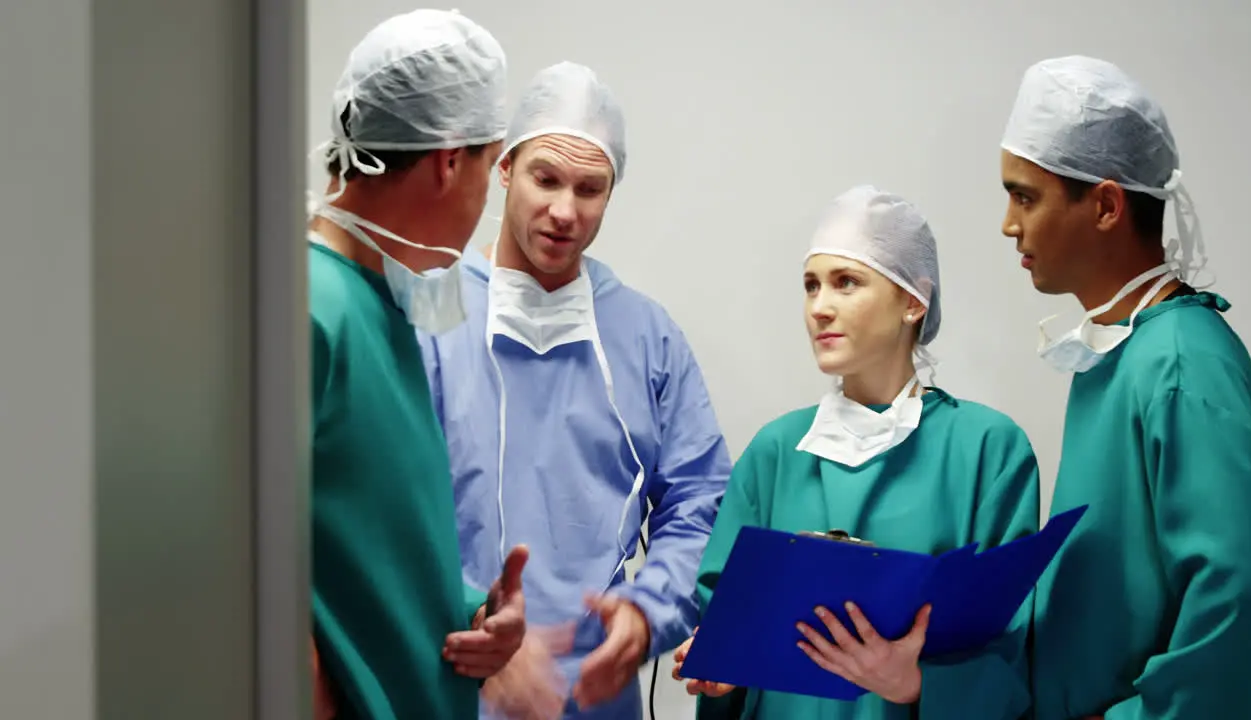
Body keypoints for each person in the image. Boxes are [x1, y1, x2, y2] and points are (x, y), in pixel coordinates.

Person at [418, 61, 733, 719]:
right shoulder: (424, 318)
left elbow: (701, 498)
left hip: (591, 697)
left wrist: (649, 614)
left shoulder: (646, 338)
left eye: (590, 189)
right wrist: (465, 615)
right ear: (504, 168)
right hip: (440, 683)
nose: (565, 211)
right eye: (545, 179)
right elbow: (373, 509)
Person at [670, 185, 1042, 720]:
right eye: (811, 285)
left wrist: (915, 683)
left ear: (914, 301)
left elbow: (1012, 646)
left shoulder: (987, 450)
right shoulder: (776, 453)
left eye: (847, 283)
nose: (820, 307)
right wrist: (721, 662)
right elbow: (726, 616)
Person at [998, 55, 1251, 719]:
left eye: (1025, 196)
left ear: (1104, 205)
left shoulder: (1183, 362)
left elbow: (1243, 601)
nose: (1008, 224)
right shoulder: (1118, 359)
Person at [306, 10, 541, 719]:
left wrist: (469, 613)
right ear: (448, 161)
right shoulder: (311, 312)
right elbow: (226, 570)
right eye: (488, 169)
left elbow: (357, 554)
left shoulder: (383, 305)